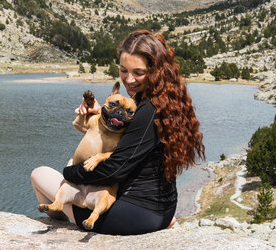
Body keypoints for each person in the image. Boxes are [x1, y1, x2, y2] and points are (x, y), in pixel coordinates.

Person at [31, 30, 205, 235]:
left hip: (133, 215)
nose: (129, 80)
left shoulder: (147, 111)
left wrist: (69, 175)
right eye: (123, 70)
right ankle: (68, 215)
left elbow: (114, 170)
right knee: (73, 165)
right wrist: (103, 118)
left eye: (138, 73)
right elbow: (131, 146)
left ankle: (66, 221)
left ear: (156, 70)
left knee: (39, 174)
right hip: (161, 209)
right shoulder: (161, 102)